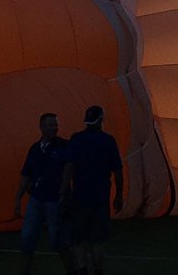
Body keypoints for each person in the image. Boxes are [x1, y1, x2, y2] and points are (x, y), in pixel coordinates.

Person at [60, 106, 123, 275]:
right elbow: (117, 171)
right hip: (100, 198)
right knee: (97, 240)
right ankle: (97, 271)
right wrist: (119, 195)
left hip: (80, 197)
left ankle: (82, 270)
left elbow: (69, 167)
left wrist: (63, 191)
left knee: (78, 238)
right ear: (101, 120)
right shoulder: (108, 141)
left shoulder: (76, 139)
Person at [14, 112, 76, 275]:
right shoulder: (35, 149)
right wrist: (18, 198)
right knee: (27, 239)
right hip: (36, 199)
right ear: (41, 127)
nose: (55, 128)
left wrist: (65, 193)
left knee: (58, 241)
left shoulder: (64, 146)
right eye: (51, 125)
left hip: (55, 200)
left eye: (56, 124)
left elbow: (71, 169)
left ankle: (73, 271)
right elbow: (26, 174)